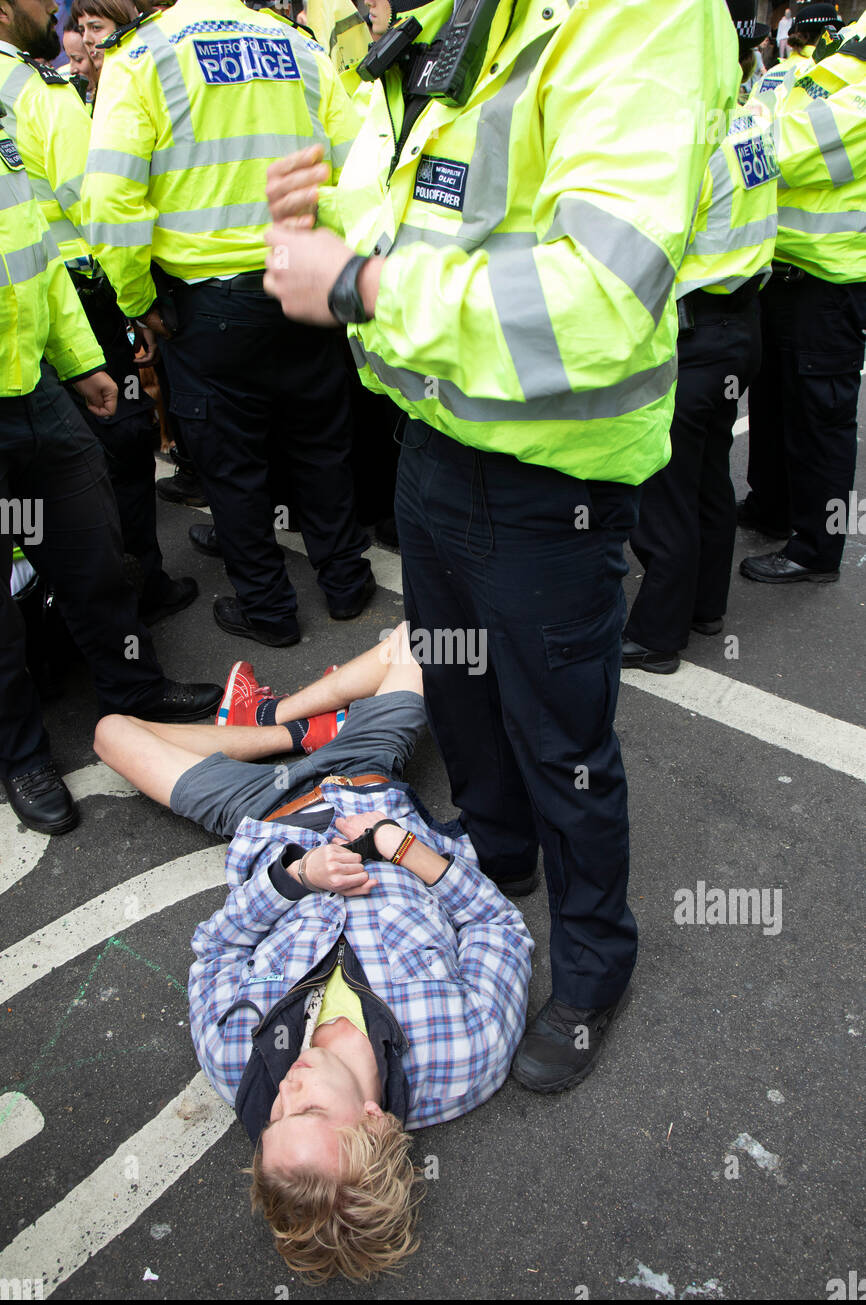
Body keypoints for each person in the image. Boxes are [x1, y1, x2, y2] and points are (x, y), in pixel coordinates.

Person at [262, 0, 741, 1093]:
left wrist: (356, 283)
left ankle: (590, 966)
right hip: (432, 448)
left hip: (548, 481)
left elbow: (600, 294)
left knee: (562, 744)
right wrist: (329, 211)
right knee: (464, 697)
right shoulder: (469, 16)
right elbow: (436, 215)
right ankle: (497, 856)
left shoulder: (644, 15)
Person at [92, 625, 534, 1282]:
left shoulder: (237, 1057)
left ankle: (286, 733)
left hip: (266, 816)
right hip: (367, 783)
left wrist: (291, 881)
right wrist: (398, 846)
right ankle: (300, 728)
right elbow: (499, 926)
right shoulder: (465, 1051)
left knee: (109, 734)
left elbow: (215, 953)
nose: (283, 1090)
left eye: (271, 1120)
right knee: (433, 635)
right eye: (307, 1109)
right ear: (374, 1119)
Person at [80, 0, 376, 648]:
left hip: (210, 304)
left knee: (232, 464)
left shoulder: (143, 55)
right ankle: (347, 583)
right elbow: (360, 165)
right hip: (304, 277)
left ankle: (269, 610)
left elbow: (109, 201)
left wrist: (136, 301)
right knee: (320, 441)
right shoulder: (294, 42)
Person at [0, 132, 221, 835]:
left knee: (93, 554)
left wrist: (80, 360)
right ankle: (22, 755)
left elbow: (32, 257)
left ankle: (136, 691)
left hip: (33, 392)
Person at [0, 0, 199, 624]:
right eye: (45, 5)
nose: (56, 19)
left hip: (34, 317)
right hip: (82, 296)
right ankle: (141, 586)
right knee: (120, 447)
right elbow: (95, 204)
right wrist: (135, 303)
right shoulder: (39, 90)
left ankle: (50, 607)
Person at [623, 0, 777, 675]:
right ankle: (705, 606)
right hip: (742, 326)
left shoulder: (694, 132)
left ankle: (658, 634)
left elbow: (653, 243)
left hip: (694, 335)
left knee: (666, 490)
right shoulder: (752, 118)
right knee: (710, 478)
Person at [738, 6, 866, 582]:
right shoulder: (825, 64)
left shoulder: (855, 86)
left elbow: (781, 151)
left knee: (821, 419)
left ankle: (816, 550)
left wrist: (739, 132)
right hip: (783, 270)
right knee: (772, 404)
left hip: (831, 282)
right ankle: (771, 507)